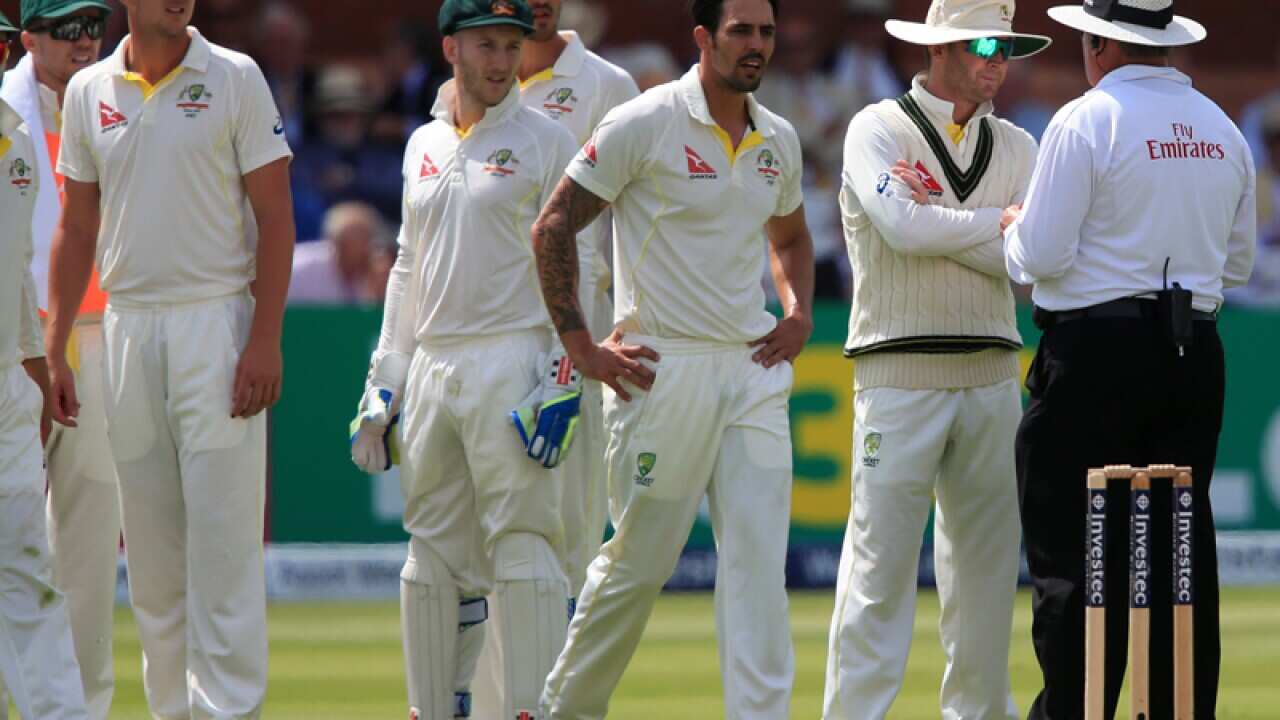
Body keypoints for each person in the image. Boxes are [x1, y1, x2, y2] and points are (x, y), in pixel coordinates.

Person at [531, 0, 815, 715]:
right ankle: (563, 708)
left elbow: (790, 240)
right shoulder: (646, 120)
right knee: (639, 564)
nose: (756, 46)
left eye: (766, 33)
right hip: (661, 369)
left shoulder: (776, 138)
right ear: (702, 38)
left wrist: (798, 312)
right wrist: (581, 346)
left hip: (751, 369)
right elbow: (554, 224)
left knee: (758, 568)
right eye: (740, 31)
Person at [1005, 1, 1255, 717]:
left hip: (1094, 354)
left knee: (1078, 558)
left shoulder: (1088, 119)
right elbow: (1235, 264)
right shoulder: (1221, 127)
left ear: (1097, 44)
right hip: (1192, 352)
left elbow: (1041, 254)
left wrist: (1012, 231)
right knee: (1178, 550)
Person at [46, 0, 296, 715]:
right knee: (153, 567)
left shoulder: (235, 76)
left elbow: (275, 214)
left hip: (214, 320)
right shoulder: (93, 90)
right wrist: (60, 343)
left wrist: (265, 337)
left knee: (224, 551)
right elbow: (75, 221)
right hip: (125, 328)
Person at [345, 1, 580, 717]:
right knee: (433, 557)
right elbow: (410, 266)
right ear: (452, 48)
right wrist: (384, 381)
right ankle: (434, 708)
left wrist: (563, 376)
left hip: (513, 358)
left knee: (523, 547)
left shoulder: (546, 140)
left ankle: (532, 710)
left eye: (512, 46)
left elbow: (582, 258)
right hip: (435, 366)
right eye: (486, 45)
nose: (502, 61)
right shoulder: (422, 143)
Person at [822, 1, 1049, 718]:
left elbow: (1033, 256)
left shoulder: (1017, 145)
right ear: (940, 48)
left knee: (984, 581)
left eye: (1006, 47)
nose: (997, 60)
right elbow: (902, 225)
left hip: (991, 375)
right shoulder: (878, 128)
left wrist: (968, 228)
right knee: (877, 576)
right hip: (898, 375)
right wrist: (997, 224)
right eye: (984, 43)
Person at [0, 2, 117, 718]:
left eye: (91, 27)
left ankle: (85, 708)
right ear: (30, 38)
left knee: (86, 547)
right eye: (65, 28)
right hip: (23, 346)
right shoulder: (10, 116)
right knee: (22, 551)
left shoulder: (116, 99)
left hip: (95, 336)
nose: (83, 42)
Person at [288, 201, 393, 305]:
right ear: (337, 241)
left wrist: (379, 287)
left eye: (367, 237)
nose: (366, 247)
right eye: (356, 237)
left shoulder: (375, 271)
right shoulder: (300, 266)